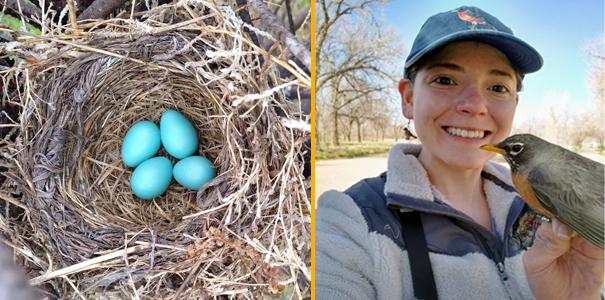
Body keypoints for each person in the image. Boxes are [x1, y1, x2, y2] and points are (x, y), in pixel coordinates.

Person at [316, 6, 604, 300]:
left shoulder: (541, 199)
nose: (474, 105)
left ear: (514, 105)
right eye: (445, 80)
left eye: (497, 86)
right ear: (408, 98)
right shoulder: (350, 222)